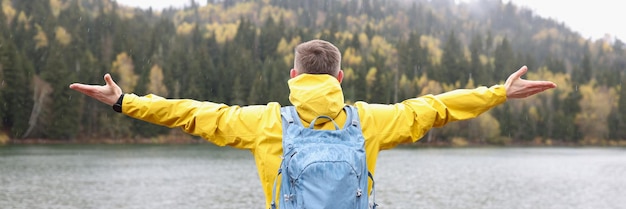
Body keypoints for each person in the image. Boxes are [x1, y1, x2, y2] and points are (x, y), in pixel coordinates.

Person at [69, 39, 557, 208]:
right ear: (341, 77)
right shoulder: (369, 121)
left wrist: (125, 101)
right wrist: (497, 92)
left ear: (293, 75)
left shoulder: (264, 123)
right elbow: (434, 107)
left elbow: (194, 114)